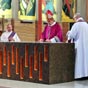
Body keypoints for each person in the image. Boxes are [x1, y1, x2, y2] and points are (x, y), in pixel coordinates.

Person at [66, 13, 88, 79]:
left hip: (79, 46)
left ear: (76, 18)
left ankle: (79, 76)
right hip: (86, 46)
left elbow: (71, 35)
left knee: (79, 60)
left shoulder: (76, 25)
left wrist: (68, 33)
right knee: (86, 60)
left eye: (74, 19)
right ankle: (86, 74)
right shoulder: (86, 25)